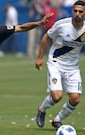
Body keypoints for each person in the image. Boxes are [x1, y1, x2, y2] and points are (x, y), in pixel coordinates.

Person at [35, 0, 85, 130]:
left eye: (80, 12)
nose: (77, 14)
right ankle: (42, 108)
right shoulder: (62, 24)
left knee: (75, 99)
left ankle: (57, 120)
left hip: (73, 68)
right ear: (72, 11)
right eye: (75, 11)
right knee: (57, 96)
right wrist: (40, 58)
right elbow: (46, 36)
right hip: (55, 63)